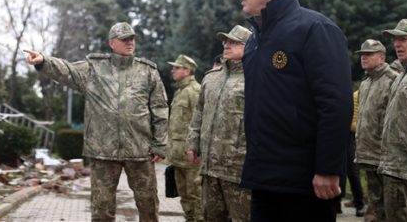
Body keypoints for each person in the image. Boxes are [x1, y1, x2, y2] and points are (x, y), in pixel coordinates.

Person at [223, 0, 353, 222]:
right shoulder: (255, 41)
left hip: (304, 182)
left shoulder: (315, 29)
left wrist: (328, 169)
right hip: (265, 178)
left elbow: (335, 105)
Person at [23, 22, 168, 222]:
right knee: (102, 207)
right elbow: (68, 70)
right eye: (124, 39)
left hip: (139, 149)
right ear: (111, 43)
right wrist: (43, 61)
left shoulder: (148, 71)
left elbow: (160, 109)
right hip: (103, 150)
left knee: (148, 204)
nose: (130, 42)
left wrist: (160, 143)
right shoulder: (94, 68)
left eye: (132, 38)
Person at [186, 25, 253, 222]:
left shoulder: (256, 77)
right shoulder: (211, 77)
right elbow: (199, 112)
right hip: (210, 166)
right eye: (225, 41)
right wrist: (192, 142)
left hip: (239, 169)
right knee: (212, 217)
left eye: (233, 42)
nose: (226, 45)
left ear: (249, 46)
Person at [379, 19, 407, 222]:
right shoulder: (402, 75)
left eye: (404, 39)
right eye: (395, 39)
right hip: (403, 168)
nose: (397, 44)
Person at [354, 39, 401, 221]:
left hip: (385, 158)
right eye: (362, 55)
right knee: (376, 205)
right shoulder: (366, 82)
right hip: (368, 155)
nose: (363, 58)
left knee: (393, 209)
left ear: (381, 58)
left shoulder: (393, 80)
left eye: (368, 54)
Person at [166, 54, 204, 222]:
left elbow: (201, 121)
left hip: (191, 157)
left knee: (196, 196)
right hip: (178, 156)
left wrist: (196, 148)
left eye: (176, 67)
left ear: (187, 70)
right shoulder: (180, 91)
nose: (172, 70)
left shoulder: (195, 91)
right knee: (185, 197)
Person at [337, 88, 365, 217]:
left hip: (349, 136)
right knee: (338, 170)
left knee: (352, 172)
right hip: (336, 135)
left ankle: (360, 205)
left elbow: (355, 121)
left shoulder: (354, 95)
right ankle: (336, 203)